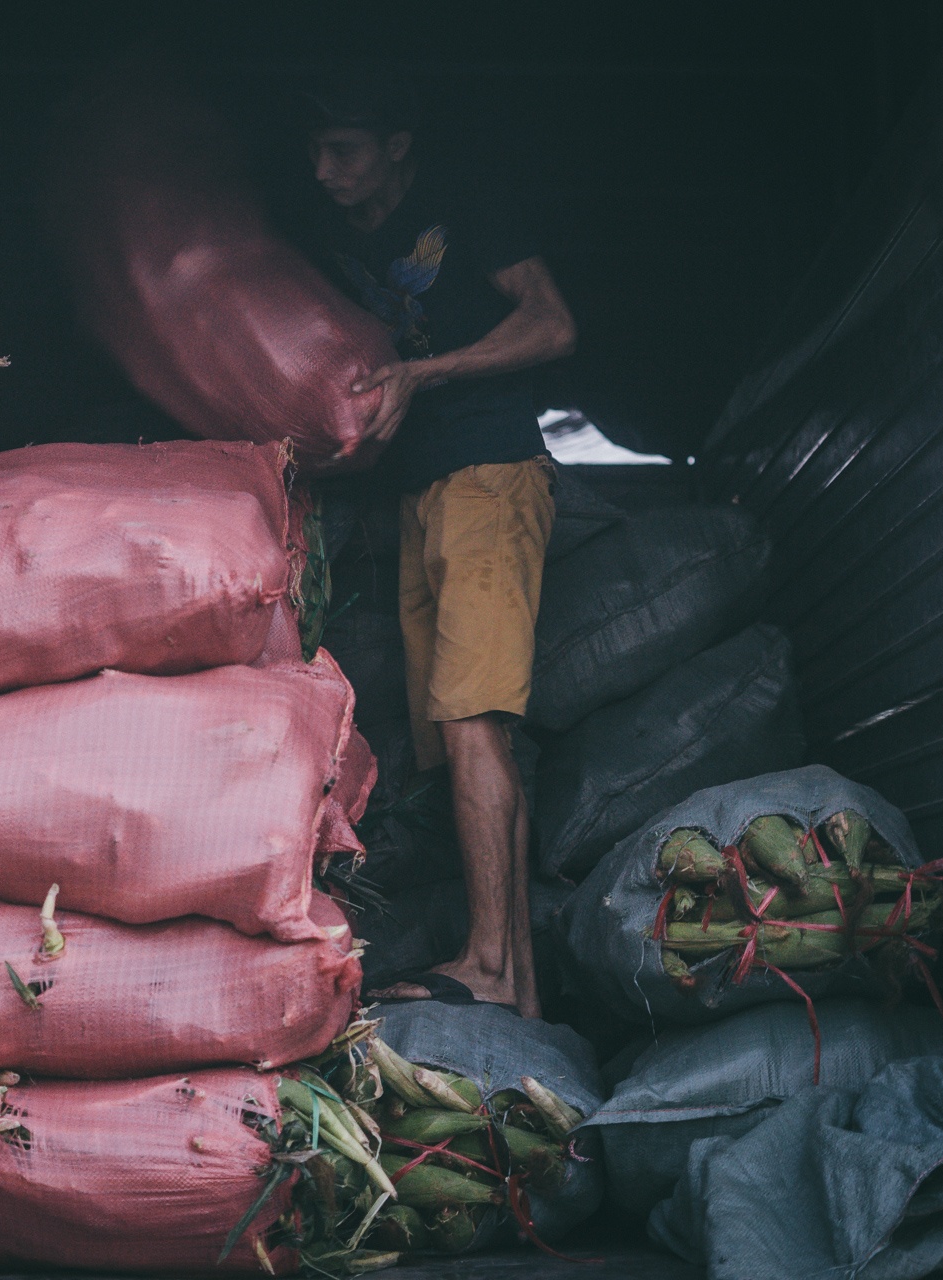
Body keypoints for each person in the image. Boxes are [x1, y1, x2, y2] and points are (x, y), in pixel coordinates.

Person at [305, 72, 575, 1014]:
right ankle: (517, 983)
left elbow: (553, 324)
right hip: (427, 490)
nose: (323, 170)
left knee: (473, 720)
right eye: (316, 150)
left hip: (491, 476)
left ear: (398, 147)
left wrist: (427, 374)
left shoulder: (466, 209)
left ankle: (493, 966)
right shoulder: (343, 236)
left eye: (343, 150)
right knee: (453, 735)